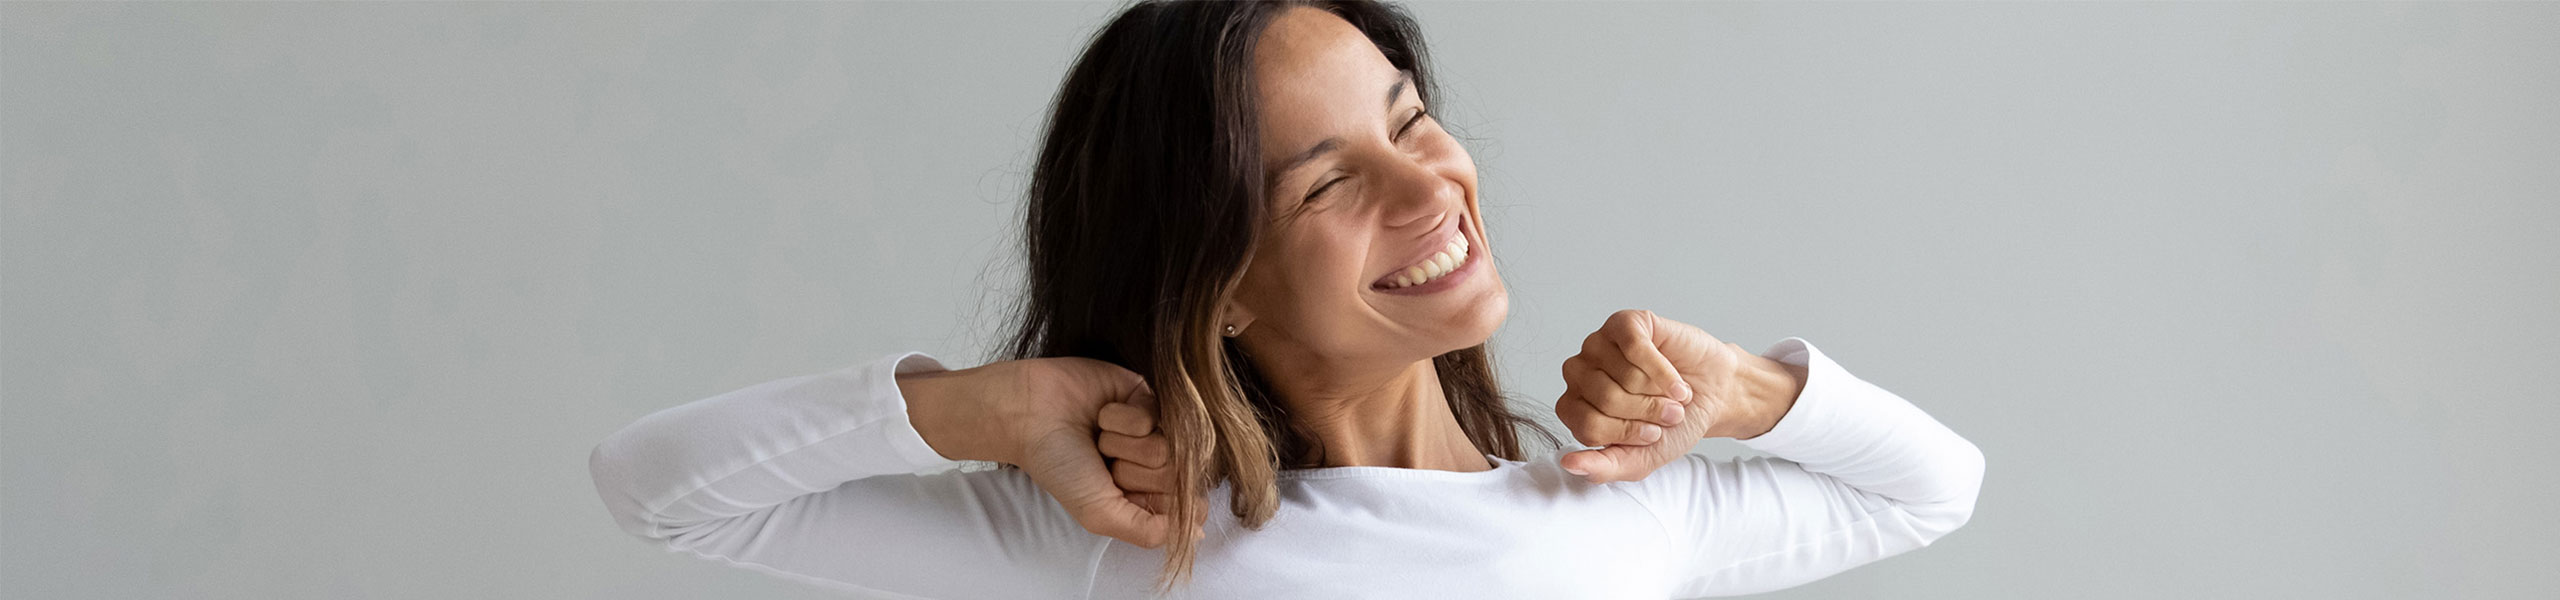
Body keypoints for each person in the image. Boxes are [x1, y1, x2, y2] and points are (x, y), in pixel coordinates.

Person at [586, 1, 1985, 598]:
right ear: (1222, 288)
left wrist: (1744, 392)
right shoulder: (1127, 543)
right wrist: (993, 409)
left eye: (1410, 116)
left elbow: (1932, 489)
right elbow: (660, 488)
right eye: (1328, 185)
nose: (1432, 184)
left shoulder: (1621, 516)